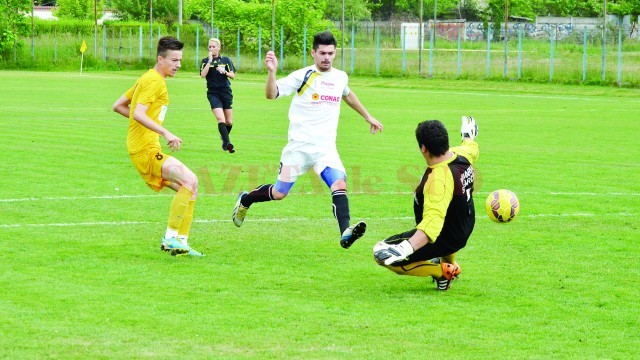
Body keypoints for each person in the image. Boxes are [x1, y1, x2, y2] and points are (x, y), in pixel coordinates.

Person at [232, 31, 383, 249]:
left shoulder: (340, 77)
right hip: (299, 149)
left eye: (331, 53)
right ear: (313, 52)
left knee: (339, 185)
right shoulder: (303, 76)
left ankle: (345, 233)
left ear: (335, 53)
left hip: (325, 150)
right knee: (279, 193)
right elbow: (271, 93)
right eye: (322, 53)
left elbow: (347, 94)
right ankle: (246, 199)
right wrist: (272, 72)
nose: (326, 57)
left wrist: (368, 116)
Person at [112, 36, 204, 257]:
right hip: (145, 150)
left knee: (190, 189)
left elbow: (119, 106)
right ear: (160, 59)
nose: (178, 65)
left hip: (144, 147)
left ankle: (181, 243)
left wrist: (146, 126)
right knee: (190, 180)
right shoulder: (155, 81)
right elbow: (138, 113)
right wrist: (165, 132)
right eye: (174, 60)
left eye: (180, 60)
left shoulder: (147, 77)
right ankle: (171, 238)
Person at [372, 116, 479, 290]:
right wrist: (468, 136)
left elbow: (432, 224)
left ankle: (441, 273)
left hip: (444, 237)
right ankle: (451, 264)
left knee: (381, 253)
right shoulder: (461, 154)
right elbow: (471, 147)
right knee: (450, 222)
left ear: (423, 148)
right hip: (465, 226)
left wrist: (404, 249)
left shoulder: (439, 180)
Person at [200, 37, 237, 153]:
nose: (211, 49)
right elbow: (203, 74)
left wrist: (224, 71)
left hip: (226, 92)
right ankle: (228, 143)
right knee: (220, 119)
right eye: (209, 47)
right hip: (213, 93)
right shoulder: (205, 61)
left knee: (229, 122)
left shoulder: (226, 60)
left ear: (219, 48)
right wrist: (209, 61)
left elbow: (233, 75)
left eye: (213, 47)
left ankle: (224, 138)